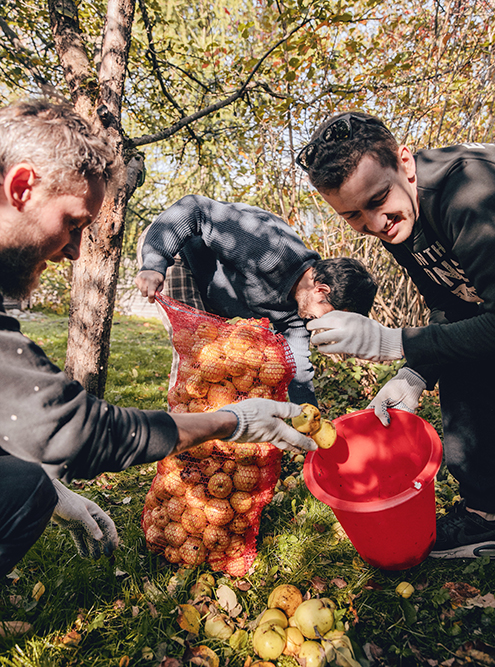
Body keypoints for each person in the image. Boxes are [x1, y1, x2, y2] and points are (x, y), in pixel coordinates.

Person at [0, 99, 317, 578]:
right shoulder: (263, 245)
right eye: (72, 223)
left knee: (29, 485)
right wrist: (228, 421)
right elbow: (80, 430)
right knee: (25, 488)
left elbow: (17, 414)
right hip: (186, 271)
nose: (75, 250)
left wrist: (56, 495)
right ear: (21, 187)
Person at [297, 110, 495, 559]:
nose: (375, 223)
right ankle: (485, 516)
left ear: (405, 163)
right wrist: (415, 373)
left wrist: (393, 342)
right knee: (463, 358)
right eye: (353, 215)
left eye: (377, 199)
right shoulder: (397, 217)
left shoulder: (468, 192)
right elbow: (452, 305)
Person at [135, 195, 377, 406]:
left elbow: (296, 367)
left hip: (206, 281)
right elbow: (194, 208)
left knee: (221, 365)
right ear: (321, 291)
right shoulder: (271, 250)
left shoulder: (297, 311)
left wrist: (308, 415)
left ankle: (211, 441)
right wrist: (155, 261)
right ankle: (182, 444)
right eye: (332, 316)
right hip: (175, 246)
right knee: (198, 353)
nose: (324, 326)